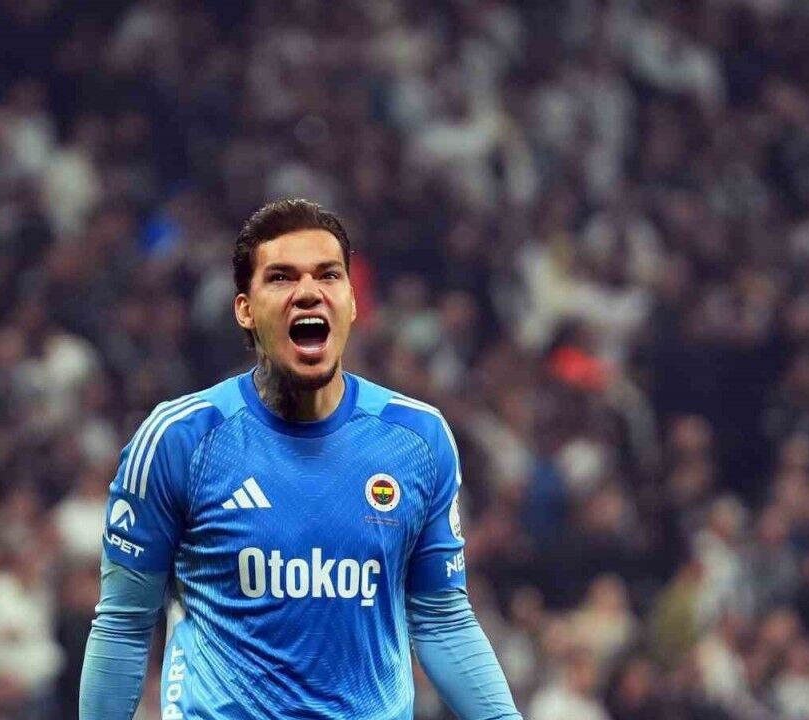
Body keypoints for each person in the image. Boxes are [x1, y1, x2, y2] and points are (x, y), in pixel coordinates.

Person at [79, 199, 521, 718]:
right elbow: (124, 625)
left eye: (328, 275)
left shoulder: (418, 439)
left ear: (351, 302)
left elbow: (442, 618)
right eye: (281, 277)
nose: (308, 292)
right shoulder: (179, 439)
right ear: (245, 309)